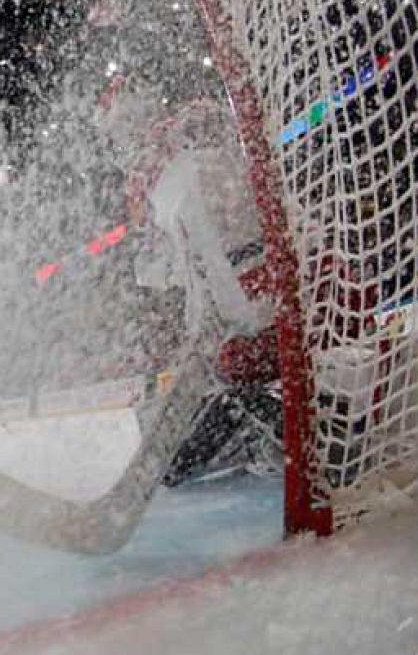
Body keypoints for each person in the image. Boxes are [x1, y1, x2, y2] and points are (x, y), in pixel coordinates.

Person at [98, 76, 283, 484]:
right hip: (281, 292)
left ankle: (260, 421)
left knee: (172, 460)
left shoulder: (165, 176)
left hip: (255, 314)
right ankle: (264, 418)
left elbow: (179, 268)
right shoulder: (199, 127)